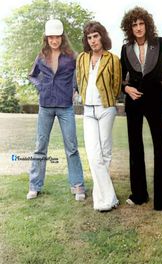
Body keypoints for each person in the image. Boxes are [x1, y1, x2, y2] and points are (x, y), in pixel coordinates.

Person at [120, 6, 162, 213]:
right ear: (129, 27)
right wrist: (126, 88)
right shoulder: (126, 48)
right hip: (133, 102)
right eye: (134, 24)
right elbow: (120, 78)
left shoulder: (161, 44)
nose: (138, 27)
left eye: (141, 23)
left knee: (161, 147)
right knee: (135, 148)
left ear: (147, 24)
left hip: (155, 101)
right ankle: (138, 195)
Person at [26, 19, 85, 201]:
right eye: (51, 37)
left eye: (57, 37)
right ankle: (34, 186)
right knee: (40, 148)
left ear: (62, 37)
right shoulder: (41, 56)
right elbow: (32, 75)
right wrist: (41, 87)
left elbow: (80, 75)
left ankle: (77, 186)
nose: (54, 40)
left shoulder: (71, 57)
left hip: (66, 107)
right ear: (47, 38)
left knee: (72, 147)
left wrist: (75, 89)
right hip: (45, 106)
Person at [76, 21, 122, 212]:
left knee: (105, 152)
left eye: (96, 36)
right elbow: (79, 80)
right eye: (89, 37)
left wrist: (107, 100)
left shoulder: (113, 59)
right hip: (88, 110)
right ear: (86, 40)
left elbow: (117, 85)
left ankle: (100, 198)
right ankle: (110, 197)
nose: (93, 40)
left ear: (102, 36)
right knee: (94, 155)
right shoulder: (82, 58)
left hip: (106, 108)